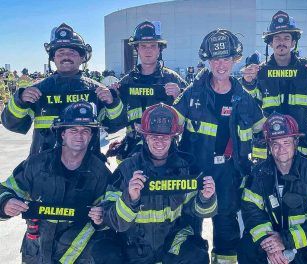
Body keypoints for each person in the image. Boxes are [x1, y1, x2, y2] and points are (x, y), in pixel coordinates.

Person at [173, 29, 266, 263]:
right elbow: (167, 127)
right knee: (190, 230)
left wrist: (260, 169)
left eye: (226, 59)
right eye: (215, 59)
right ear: (208, 60)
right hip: (194, 173)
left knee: (227, 233)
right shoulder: (191, 94)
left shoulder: (245, 99)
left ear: (235, 60)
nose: (221, 65)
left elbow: (265, 132)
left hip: (229, 174)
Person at [0, 101, 122, 263]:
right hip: (37, 252)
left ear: (92, 136)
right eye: (73, 130)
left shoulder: (101, 173)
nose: (79, 136)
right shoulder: (36, 164)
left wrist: (102, 217)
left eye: (85, 131)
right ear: (62, 133)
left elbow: (111, 215)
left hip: (80, 255)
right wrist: (5, 203)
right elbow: (6, 189)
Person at [101, 103, 217, 263]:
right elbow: (112, 221)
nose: (159, 142)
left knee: (197, 256)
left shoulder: (185, 169)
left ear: (173, 138)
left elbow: (198, 212)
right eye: (154, 136)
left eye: (165, 137)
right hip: (135, 248)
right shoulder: (126, 169)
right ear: (145, 137)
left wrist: (206, 198)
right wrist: (130, 199)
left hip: (173, 244)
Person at [1, 23, 126, 156]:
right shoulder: (37, 90)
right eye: (60, 52)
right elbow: (11, 124)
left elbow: (115, 126)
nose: (66, 56)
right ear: (53, 58)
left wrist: (112, 103)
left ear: (82, 57)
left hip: (86, 167)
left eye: (72, 52)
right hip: (43, 167)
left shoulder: (95, 90)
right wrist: (20, 101)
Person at [238, 113, 307, 264]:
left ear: (295, 142)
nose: (281, 149)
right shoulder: (257, 175)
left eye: (286, 142)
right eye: (276, 144)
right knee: (247, 247)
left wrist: (285, 240)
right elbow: (251, 212)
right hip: (273, 244)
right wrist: (270, 245)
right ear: (269, 146)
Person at [257, 10, 307, 160]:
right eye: (277, 38)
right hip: (271, 146)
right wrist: (248, 83)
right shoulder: (261, 73)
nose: (281, 42)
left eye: (286, 38)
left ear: (293, 42)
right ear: (270, 42)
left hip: (303, 147)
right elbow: (251, 106)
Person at [107, 20, 186, 162]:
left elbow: (190, 118)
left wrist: (179, 96)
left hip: (165, 149)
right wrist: (113, 99)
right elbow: (116, 121)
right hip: (132, 149)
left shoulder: (173, 79)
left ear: (159, 49)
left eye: (153, 46)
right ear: (137, 49)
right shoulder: (126, 82)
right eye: (143, 46)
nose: (148, 50)